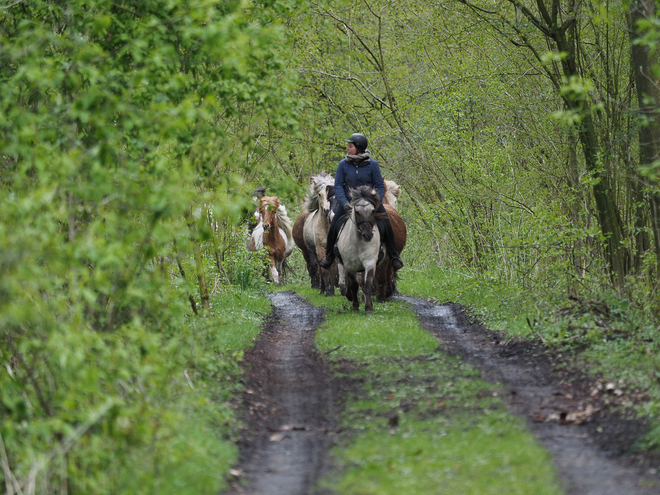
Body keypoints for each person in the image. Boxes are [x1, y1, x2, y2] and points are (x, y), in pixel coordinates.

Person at [319, 133, 403, 271]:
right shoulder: (343, 164)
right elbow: (338, 185)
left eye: (350, 146)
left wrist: (376, 201)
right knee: (334, 225)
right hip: (349, 203)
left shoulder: (373, 164)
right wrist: (344, 202)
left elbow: (380, 186)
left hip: (370, 204)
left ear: (359, 148)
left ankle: (394, 257)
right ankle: (329, 257)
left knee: (387, 223)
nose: (347, 148)